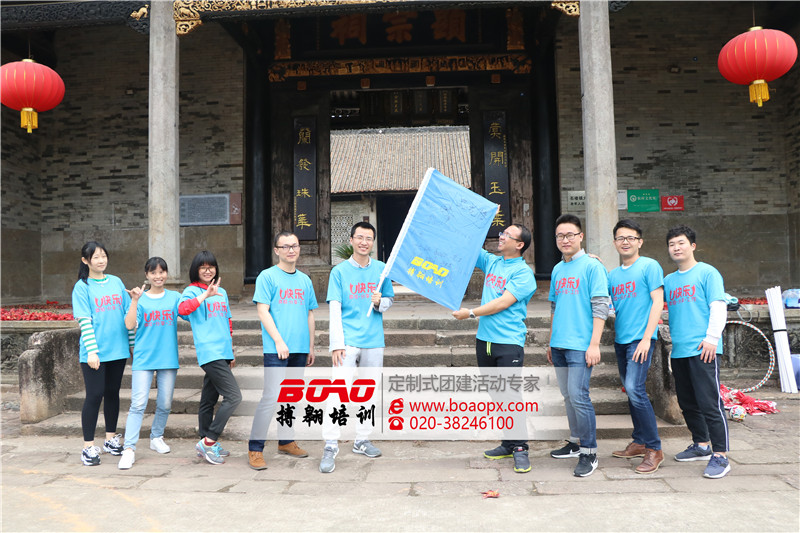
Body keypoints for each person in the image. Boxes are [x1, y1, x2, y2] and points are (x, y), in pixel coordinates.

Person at [453, 224, 536, 473]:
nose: (501, 237)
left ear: (519, 245)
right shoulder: (492, 262)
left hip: (508, 342)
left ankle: (520, 447)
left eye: (507, 235)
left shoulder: (523, 274)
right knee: (497, 395)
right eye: (502, 233)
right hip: (485, 341)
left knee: (510, 396)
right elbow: (469, 247)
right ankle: (508, 443)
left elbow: (502, 302)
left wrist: (470, 313)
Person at [320, 221, 394, 473]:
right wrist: (336, 344)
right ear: (351, 240)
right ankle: (331, 444)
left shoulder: (382, 270)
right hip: (348, 341)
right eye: (360, 237)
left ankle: (362, 439)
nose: (364, 242)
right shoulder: (339, 272)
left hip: (374, 340)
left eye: (369, 238)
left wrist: (380, 302)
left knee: (369, 392)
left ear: (373, 242)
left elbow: (389, 301)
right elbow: (334, 308)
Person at [663, 225, 730, 479]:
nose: (676, 248)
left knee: (709, 403)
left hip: (704, 349)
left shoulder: (707, 273)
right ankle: (701, 445)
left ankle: (721, 455)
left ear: (692, 246)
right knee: (687, 402)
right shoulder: (669, 281)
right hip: (679, 350)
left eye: (681, 243)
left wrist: (712, 338)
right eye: (672, 244)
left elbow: (718, 306)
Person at [248, 232, 318, 470]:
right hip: (276, 349)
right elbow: (263, 311)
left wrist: (310, 346)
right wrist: (278, 341)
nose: (291, 250)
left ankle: (286, 441)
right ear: (276, 250)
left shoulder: (305, 280)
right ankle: (255, 448)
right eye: (285, 246)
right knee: (270, 397)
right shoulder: (267, 276)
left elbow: (309, 313)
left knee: (291, 396)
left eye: (294, 245)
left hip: (300, 348)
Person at [547, 214, 610, 477]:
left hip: (581, 345)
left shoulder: (592, 267)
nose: (565, 240)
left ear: (580, 236)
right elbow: (554, 307)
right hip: (559, 344)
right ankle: (575, 442)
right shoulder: (557, 269)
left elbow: (601, 306)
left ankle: (589, 452)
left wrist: (594, 344)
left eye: (570, 235)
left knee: (579, 396)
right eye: (560, 236)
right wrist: (551, 341)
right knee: (568, 396)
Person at [607, 219, 664, 474]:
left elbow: (657, 302)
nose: (625, 242)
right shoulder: (612, 275)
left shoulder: (649, 266)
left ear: (639, 242)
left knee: (634, 389)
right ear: (615, 243)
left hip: (640, 340)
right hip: (621, 340)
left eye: (631, 238)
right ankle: (639, 441)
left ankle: (654, 449)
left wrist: (646, 338)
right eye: (621, 238)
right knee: (630, 391)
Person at [118, 257, 182, 470]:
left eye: (162, 272)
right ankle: (129, 449)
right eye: (153, 272)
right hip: (144, 358)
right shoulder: (140, 298)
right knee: (138, 404)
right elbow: (129, 325)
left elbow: (190, 312)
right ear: (147, 275)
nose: (158, 276)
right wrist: (135, 301)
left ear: (167, 274)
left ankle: (156, 437)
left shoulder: (175, 297)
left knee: (165, 403)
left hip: (168, 357)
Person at [71, 241, 132, 466]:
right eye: (95, 257)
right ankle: (88, 447)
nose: (101, 260)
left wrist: (132, 345)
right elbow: (84, 321)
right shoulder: (82, 287)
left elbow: (128, 315)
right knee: (94, 395)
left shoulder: (116, 282)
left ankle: (110, 439)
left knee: (113, 393)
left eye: (103, 256)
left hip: (118, 350)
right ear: (85, 260)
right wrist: (92, 351)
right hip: (94, 353)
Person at [179, 251, 242, 465]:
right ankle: (209, 441)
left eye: (211, 267)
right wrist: (205, 295)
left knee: (208, 400)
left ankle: (205, 442)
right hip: (209, 351)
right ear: (196, 270)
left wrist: (230, 351)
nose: (208, 271)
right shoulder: (191, 291)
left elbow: (227, 320)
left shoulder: (221, 291)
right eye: (203, 267)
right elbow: (182, 310)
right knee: (234, 397)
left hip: (223, 351)